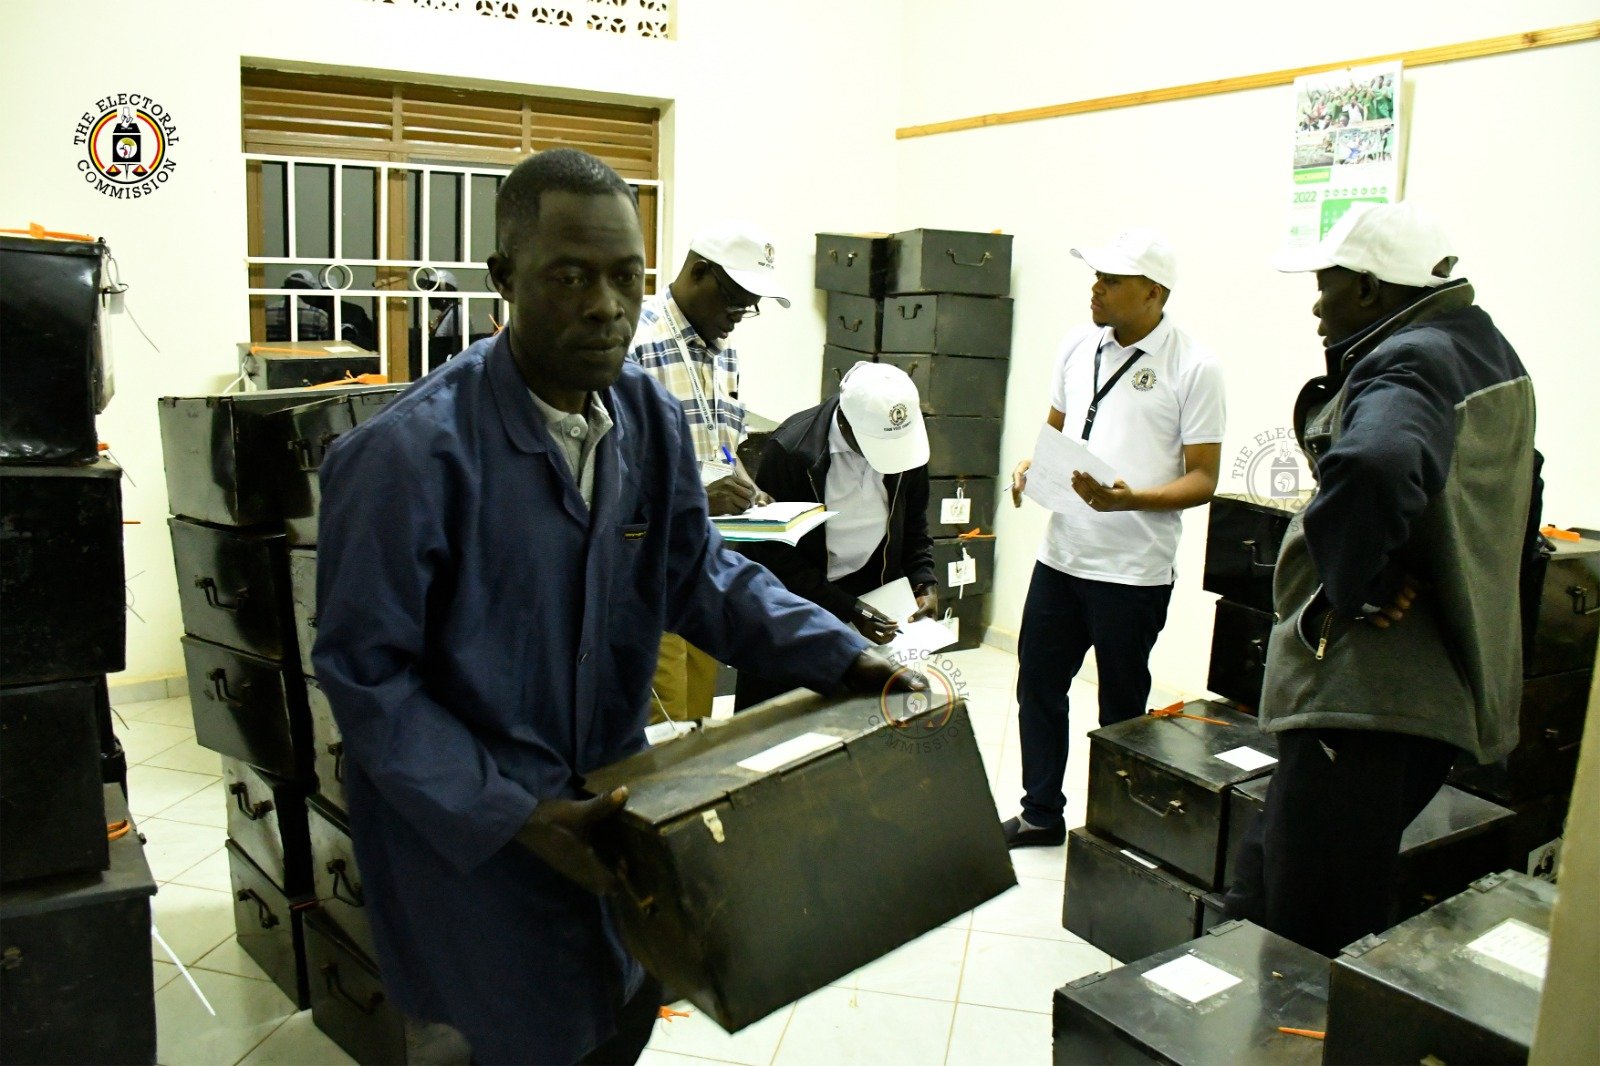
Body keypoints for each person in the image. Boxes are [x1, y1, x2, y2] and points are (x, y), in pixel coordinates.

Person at [312, 147, 911, 1066]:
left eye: (626, 277)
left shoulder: (647, 420)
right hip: (481, 842)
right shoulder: (406, 459)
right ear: (504, 278)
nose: (605, 306)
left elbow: (697, 574)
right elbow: (368, 679)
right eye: (569, 277)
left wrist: (841, 653)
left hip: (615, 807)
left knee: (617, 1013)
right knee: (511, 1038)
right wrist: (516, 815)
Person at [1222, 201, 1537, 956]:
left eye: (1325, 286)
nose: (1316, 306)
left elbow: (1375, 461)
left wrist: (1355, 582)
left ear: (1368, 288)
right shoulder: (1488, 352)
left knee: (1312, 921)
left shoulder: (1412, 359)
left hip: (1369, 699)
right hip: (1425, 693)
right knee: (1271, 873)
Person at [1003, 229, 1225, 848]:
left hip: (1132, 571)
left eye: (1111, 281)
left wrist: (1132, 500)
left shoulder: (1194, 367)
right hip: (1062, 556)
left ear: (1153, 292)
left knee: (1122, 709)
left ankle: (1115, 834)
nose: (1095, 290)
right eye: (1095, 277)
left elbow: (1204, 478)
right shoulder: (1078, 344)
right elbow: (1056, 430)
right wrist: (1031, 464)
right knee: (1038, 687)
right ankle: (1040, 813)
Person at [627, 221, 790, 722]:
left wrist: (745, 483)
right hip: (649, 572)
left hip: (708, 568)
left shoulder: (724, 351)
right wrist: (699, 495)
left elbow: (722, 445)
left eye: (748, 309)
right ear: (699, 273)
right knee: (664, 724)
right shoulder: (634, 342)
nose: (738, 321)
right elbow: (614, 470)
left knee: (699, 719)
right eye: (736, 305)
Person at [734, 361, 939, 709]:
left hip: (873, 596)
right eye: (874, 445)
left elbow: (914, 521)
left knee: (862, 711)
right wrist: (846, 608)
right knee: (782, 715)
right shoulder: (791, 450)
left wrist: (924, 579)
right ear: (844, 422)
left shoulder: (904, 443)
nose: (886, 458)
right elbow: (772, 554)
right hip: (798, 602)